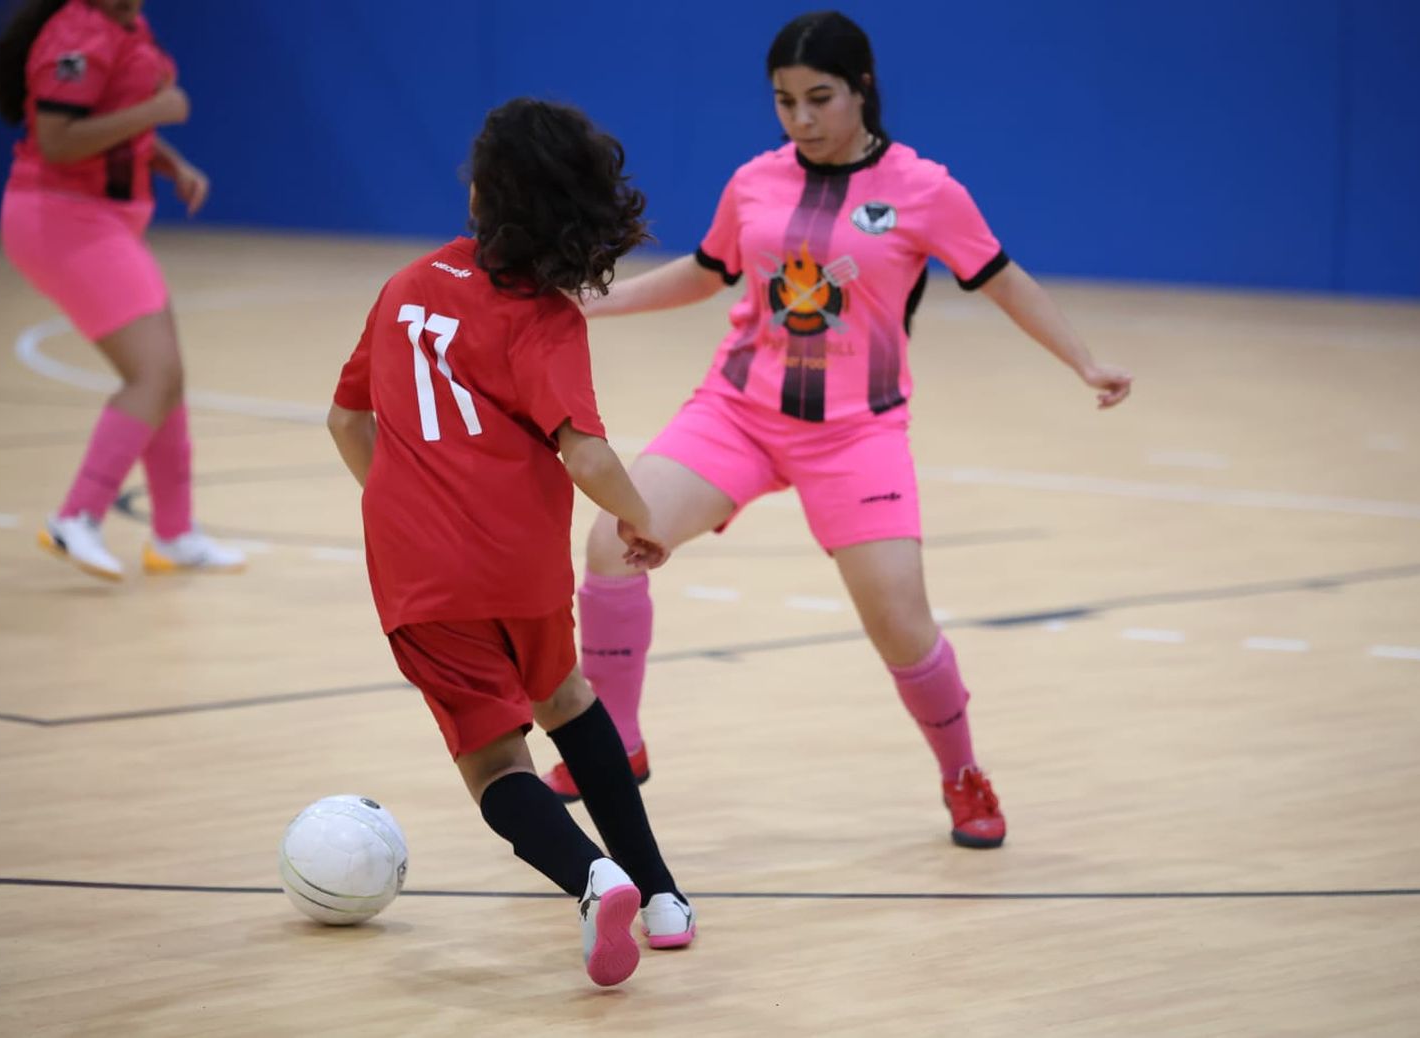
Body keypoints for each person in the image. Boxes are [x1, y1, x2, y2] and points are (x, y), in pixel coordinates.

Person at [544, 11, 1134, 849]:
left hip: (858, 437)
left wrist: (1083, 362)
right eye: (784, 101)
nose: (801, 119)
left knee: (900, 623)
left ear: (863, 89)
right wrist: (599, 302)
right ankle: (620, 742)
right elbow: (706, 273)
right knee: (611, 542)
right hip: (737, 414)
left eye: (820, 98)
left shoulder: (926, 189)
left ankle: (962, 773)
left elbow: (1002, 281)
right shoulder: (754, 180)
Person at [327, 99, 696, 988]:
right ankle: (663, 896)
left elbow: (346, 419)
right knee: (567, 698)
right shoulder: (548, 317)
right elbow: (587, 452)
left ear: (482, 192)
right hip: (523, 569)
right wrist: (644, 519)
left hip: (424, 581)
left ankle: (591, 877)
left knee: (494, 761)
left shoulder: (407, 287)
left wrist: (405, 506)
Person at [0, 0, 245, 581]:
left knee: (165, 376)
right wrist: (158, 109)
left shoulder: (128, 21)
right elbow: (59, 141)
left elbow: (119, 121)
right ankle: (77, 517)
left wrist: (170, 163)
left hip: (100, 219)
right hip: (61, 220)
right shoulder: (76, 33)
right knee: (153, 375)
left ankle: (174, 534)